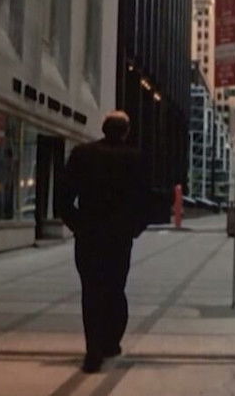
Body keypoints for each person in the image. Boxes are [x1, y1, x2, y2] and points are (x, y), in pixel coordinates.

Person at [57, 110, 151, 373]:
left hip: (89, 235)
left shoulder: (82, 154)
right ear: (126, 131)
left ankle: (93, 350)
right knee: (115, 288)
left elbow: (63, 197)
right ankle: (110, 341)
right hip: (119, 237)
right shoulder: (135, 158)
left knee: (91, 290)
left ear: (103, 128)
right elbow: (146, 201)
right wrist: (134, 228)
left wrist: (78, 225)